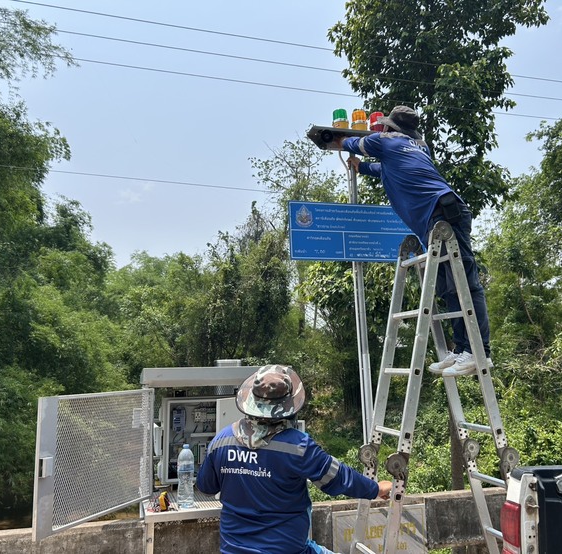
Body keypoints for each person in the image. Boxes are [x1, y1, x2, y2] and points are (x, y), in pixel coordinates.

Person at [336, 106, 492, 375]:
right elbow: (386, 169)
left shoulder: (385, 141)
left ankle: (480, 353)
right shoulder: (418, 147)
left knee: (466, 284)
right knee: (449, 288)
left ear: (390, 128)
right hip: (438, 216)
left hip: (444, 213)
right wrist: (362, 168)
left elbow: (352, 143)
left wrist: (339, 139)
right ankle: (462, 349)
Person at [196, 364, 392, 554]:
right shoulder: (297, 446)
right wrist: (376, 489)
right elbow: (338, 478)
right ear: (288, 406)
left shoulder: (222, 440)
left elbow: (206, 487)